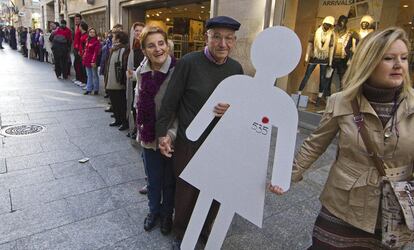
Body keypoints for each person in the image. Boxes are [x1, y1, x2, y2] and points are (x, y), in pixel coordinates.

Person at [270, 27, 414, 249]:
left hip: (393, 211)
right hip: (343, 204)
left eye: (404, 58)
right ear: (369, 62)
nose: (399, 65)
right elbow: (315, 144)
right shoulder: (341, 101)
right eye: (389, 58)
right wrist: (287, 176)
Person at [155, 16, 244, 249]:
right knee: (186, 192)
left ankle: (203, 231)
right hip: (189, 142)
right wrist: (162, 134)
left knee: (214, 190)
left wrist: (234, 109)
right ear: (207, 37)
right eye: (216, 37)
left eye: (228, 38)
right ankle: (182, 233)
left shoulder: (236, 69)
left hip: (221, 143)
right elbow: (169, 102)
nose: (222, 43)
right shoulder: (188, 62)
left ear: (234, 41)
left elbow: (243, 106)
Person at [133, 26, 177, 235]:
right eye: (151, 45)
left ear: (167, 44)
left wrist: (170, 135)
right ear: (144, 50)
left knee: (169, 182)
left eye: (161, 43)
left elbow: (182, 110)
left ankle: (167, 215)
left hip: (170, 139)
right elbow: (138, 101)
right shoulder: (142, 71)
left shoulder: (177, 70)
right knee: (153, 180)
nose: (158, 49)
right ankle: (154, 211)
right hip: (148, 139)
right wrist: (140, 129)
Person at [104, 31, 129, 130]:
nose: (112, 38)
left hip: (118, 81)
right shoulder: (114, 49)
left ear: (118, 39)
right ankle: (117, 119)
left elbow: (124, 65)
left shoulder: (123, 50)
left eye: (114, 37)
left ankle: (124, 122)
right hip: (111, 80)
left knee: (121, 104)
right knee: (114, 102)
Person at [82, 27, 101, 95]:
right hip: (87, 60)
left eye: (93, 32)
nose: (92, 33)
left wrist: (93, 61)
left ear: (95, 34)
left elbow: (96, 52)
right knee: (89, 75)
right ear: (88, 33)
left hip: (93, 60)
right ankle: (89, 89)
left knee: (94, 75)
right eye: (90, 32)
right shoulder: (87, 40)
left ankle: (96, 89)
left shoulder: (97, 41)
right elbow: (86, 50)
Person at [73, 14, 86, 85]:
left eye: (78, 19)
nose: (76, 20)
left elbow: (82, 39)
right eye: (75, 19)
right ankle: (78, 78)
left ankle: (81, 79)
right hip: (76, 48)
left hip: (79, 49)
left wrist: (79, 49)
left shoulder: (81, 27)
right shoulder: (77, 27)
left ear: (80, 20)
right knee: (76, 64)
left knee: (79, 65)